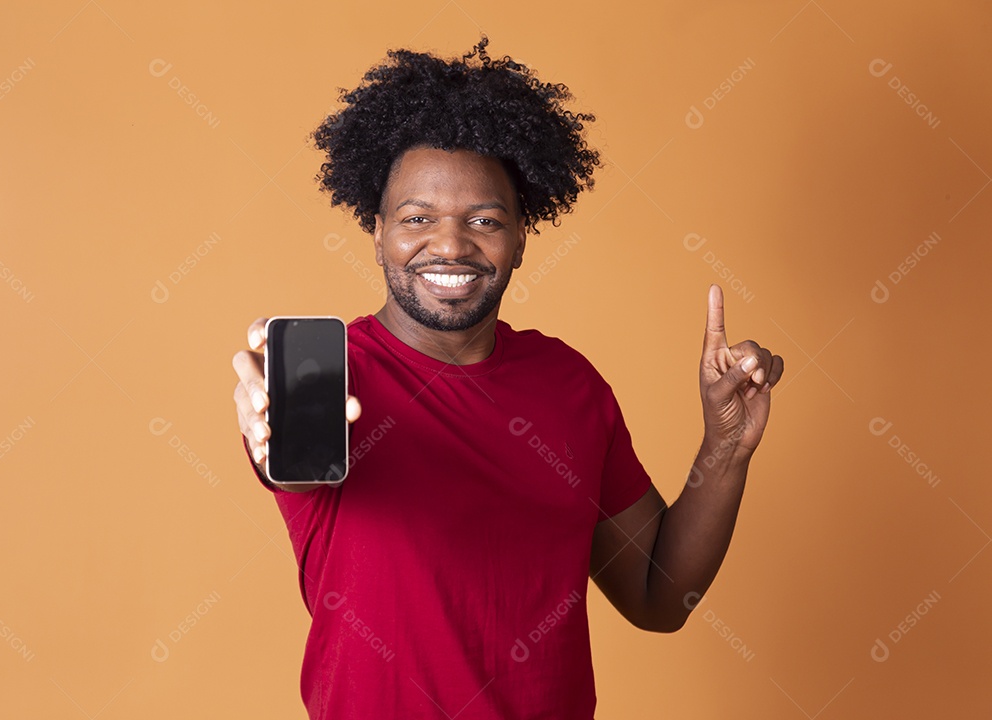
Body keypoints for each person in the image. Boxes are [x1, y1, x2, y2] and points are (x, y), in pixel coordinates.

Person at [231, 37, 783, 719]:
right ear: (377, 234)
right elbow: (291, 466)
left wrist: (725, 448)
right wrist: (268, 425)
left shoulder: (569, 385)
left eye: (484, 220)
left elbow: (658, 597)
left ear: (522, 235)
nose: (451, 244)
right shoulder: (326, 378)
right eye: (417, 219)